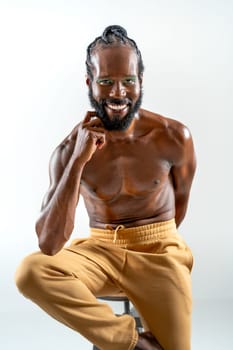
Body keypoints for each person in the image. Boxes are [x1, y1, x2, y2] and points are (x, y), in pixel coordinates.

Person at [15, 25, 196, 350]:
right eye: (106, 82)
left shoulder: (172, 136)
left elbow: (180, 205)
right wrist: (78, 161)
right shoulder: (69, 150)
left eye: (128, 81)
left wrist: (153, 238)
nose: (118, 93)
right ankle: (131, 343)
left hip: (158, 250)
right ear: (90, 83)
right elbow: (49, 243)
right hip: (100, 251)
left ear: (141, 81)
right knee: (31, 271)